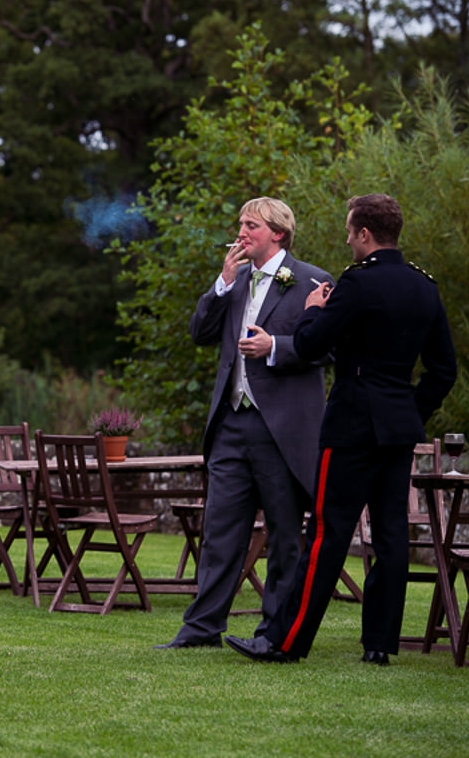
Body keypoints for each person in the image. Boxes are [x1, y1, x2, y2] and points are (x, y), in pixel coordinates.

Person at [225, 193, 457, 665]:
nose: (348, 238)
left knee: (327, 535)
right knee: (391, 537)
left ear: (365, 233)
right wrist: (410, 412)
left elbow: (310, 345)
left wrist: (313, 308)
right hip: (397, 431)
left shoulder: (355, 284)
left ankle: (287, 642)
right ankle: (379, 647)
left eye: (351, 231)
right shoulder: (424, 288)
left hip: (351, 427)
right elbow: (443, 371)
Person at [155, 197, 333, 650]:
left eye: (250, 225)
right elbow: (200, 333)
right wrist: (221, 283)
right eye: (240, 224)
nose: (241, 232)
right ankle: (201, 630)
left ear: (278, 232)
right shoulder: (234, 281)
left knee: (284, 536)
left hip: (281, 429)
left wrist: (276, 346)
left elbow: (329, 350)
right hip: (231, 424)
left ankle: (273, 633)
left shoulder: (314, 281)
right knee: (218, 533)